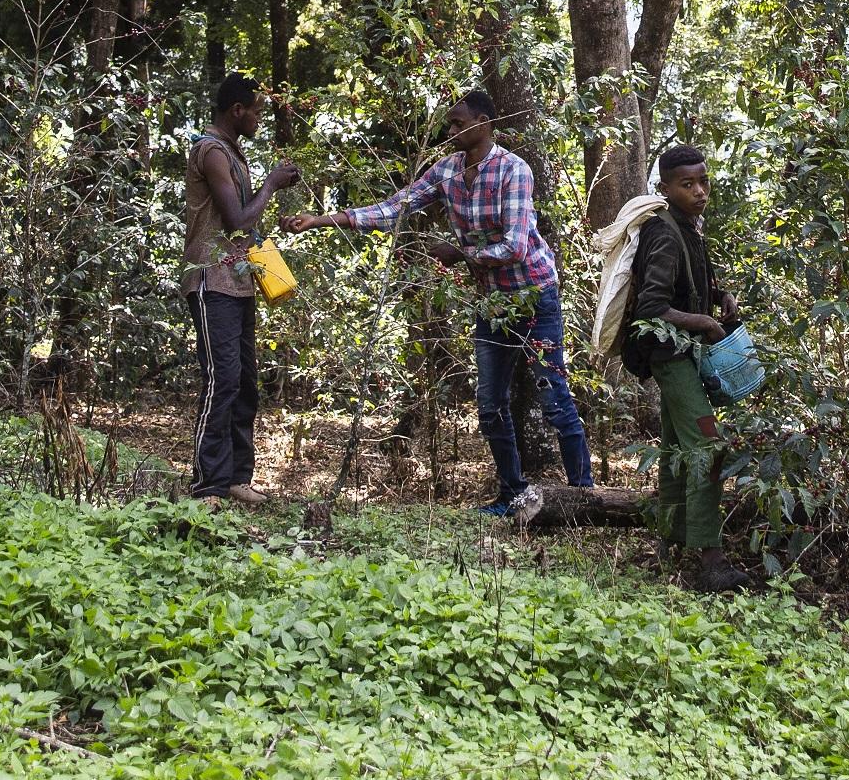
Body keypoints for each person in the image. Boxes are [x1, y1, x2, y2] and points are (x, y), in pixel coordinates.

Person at [285, 89, 594, 512]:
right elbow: (397, 206)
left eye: (458, 124)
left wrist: (460, 254)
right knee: (490, 405)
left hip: (534, 296)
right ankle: (512, 495)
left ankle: (586, 497)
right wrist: (323, 220)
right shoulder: (446, 171)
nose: (450, 132)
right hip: (492, 304)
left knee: (554, 396)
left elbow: (516, 246)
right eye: (449, 124)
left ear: (483, 125)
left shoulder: (513, 170)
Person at [623, 144, 749, 591]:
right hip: (669, 356)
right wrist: (705, 323)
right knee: (710, 448)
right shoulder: (662, 233)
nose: (699, 191)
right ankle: (710, 559)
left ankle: (669, 541)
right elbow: (652, 306)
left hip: (683, 353)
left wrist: (721, 297)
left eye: (703, 181)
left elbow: (692, 283)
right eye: (687, 184)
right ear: (665, 188)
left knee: (678, 448)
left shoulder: (689, 226)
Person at [183, 72, 302, 505]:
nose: (258, 120)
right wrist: (270, 184)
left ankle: (235, 477)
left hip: (238, 283)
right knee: (222, 380)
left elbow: (243, 225)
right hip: (211, 281)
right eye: (255, 112)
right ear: (237, 111)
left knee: (245, 383)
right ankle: (208, 485)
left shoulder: (233, 153)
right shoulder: (211, 151)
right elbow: (235, 220)